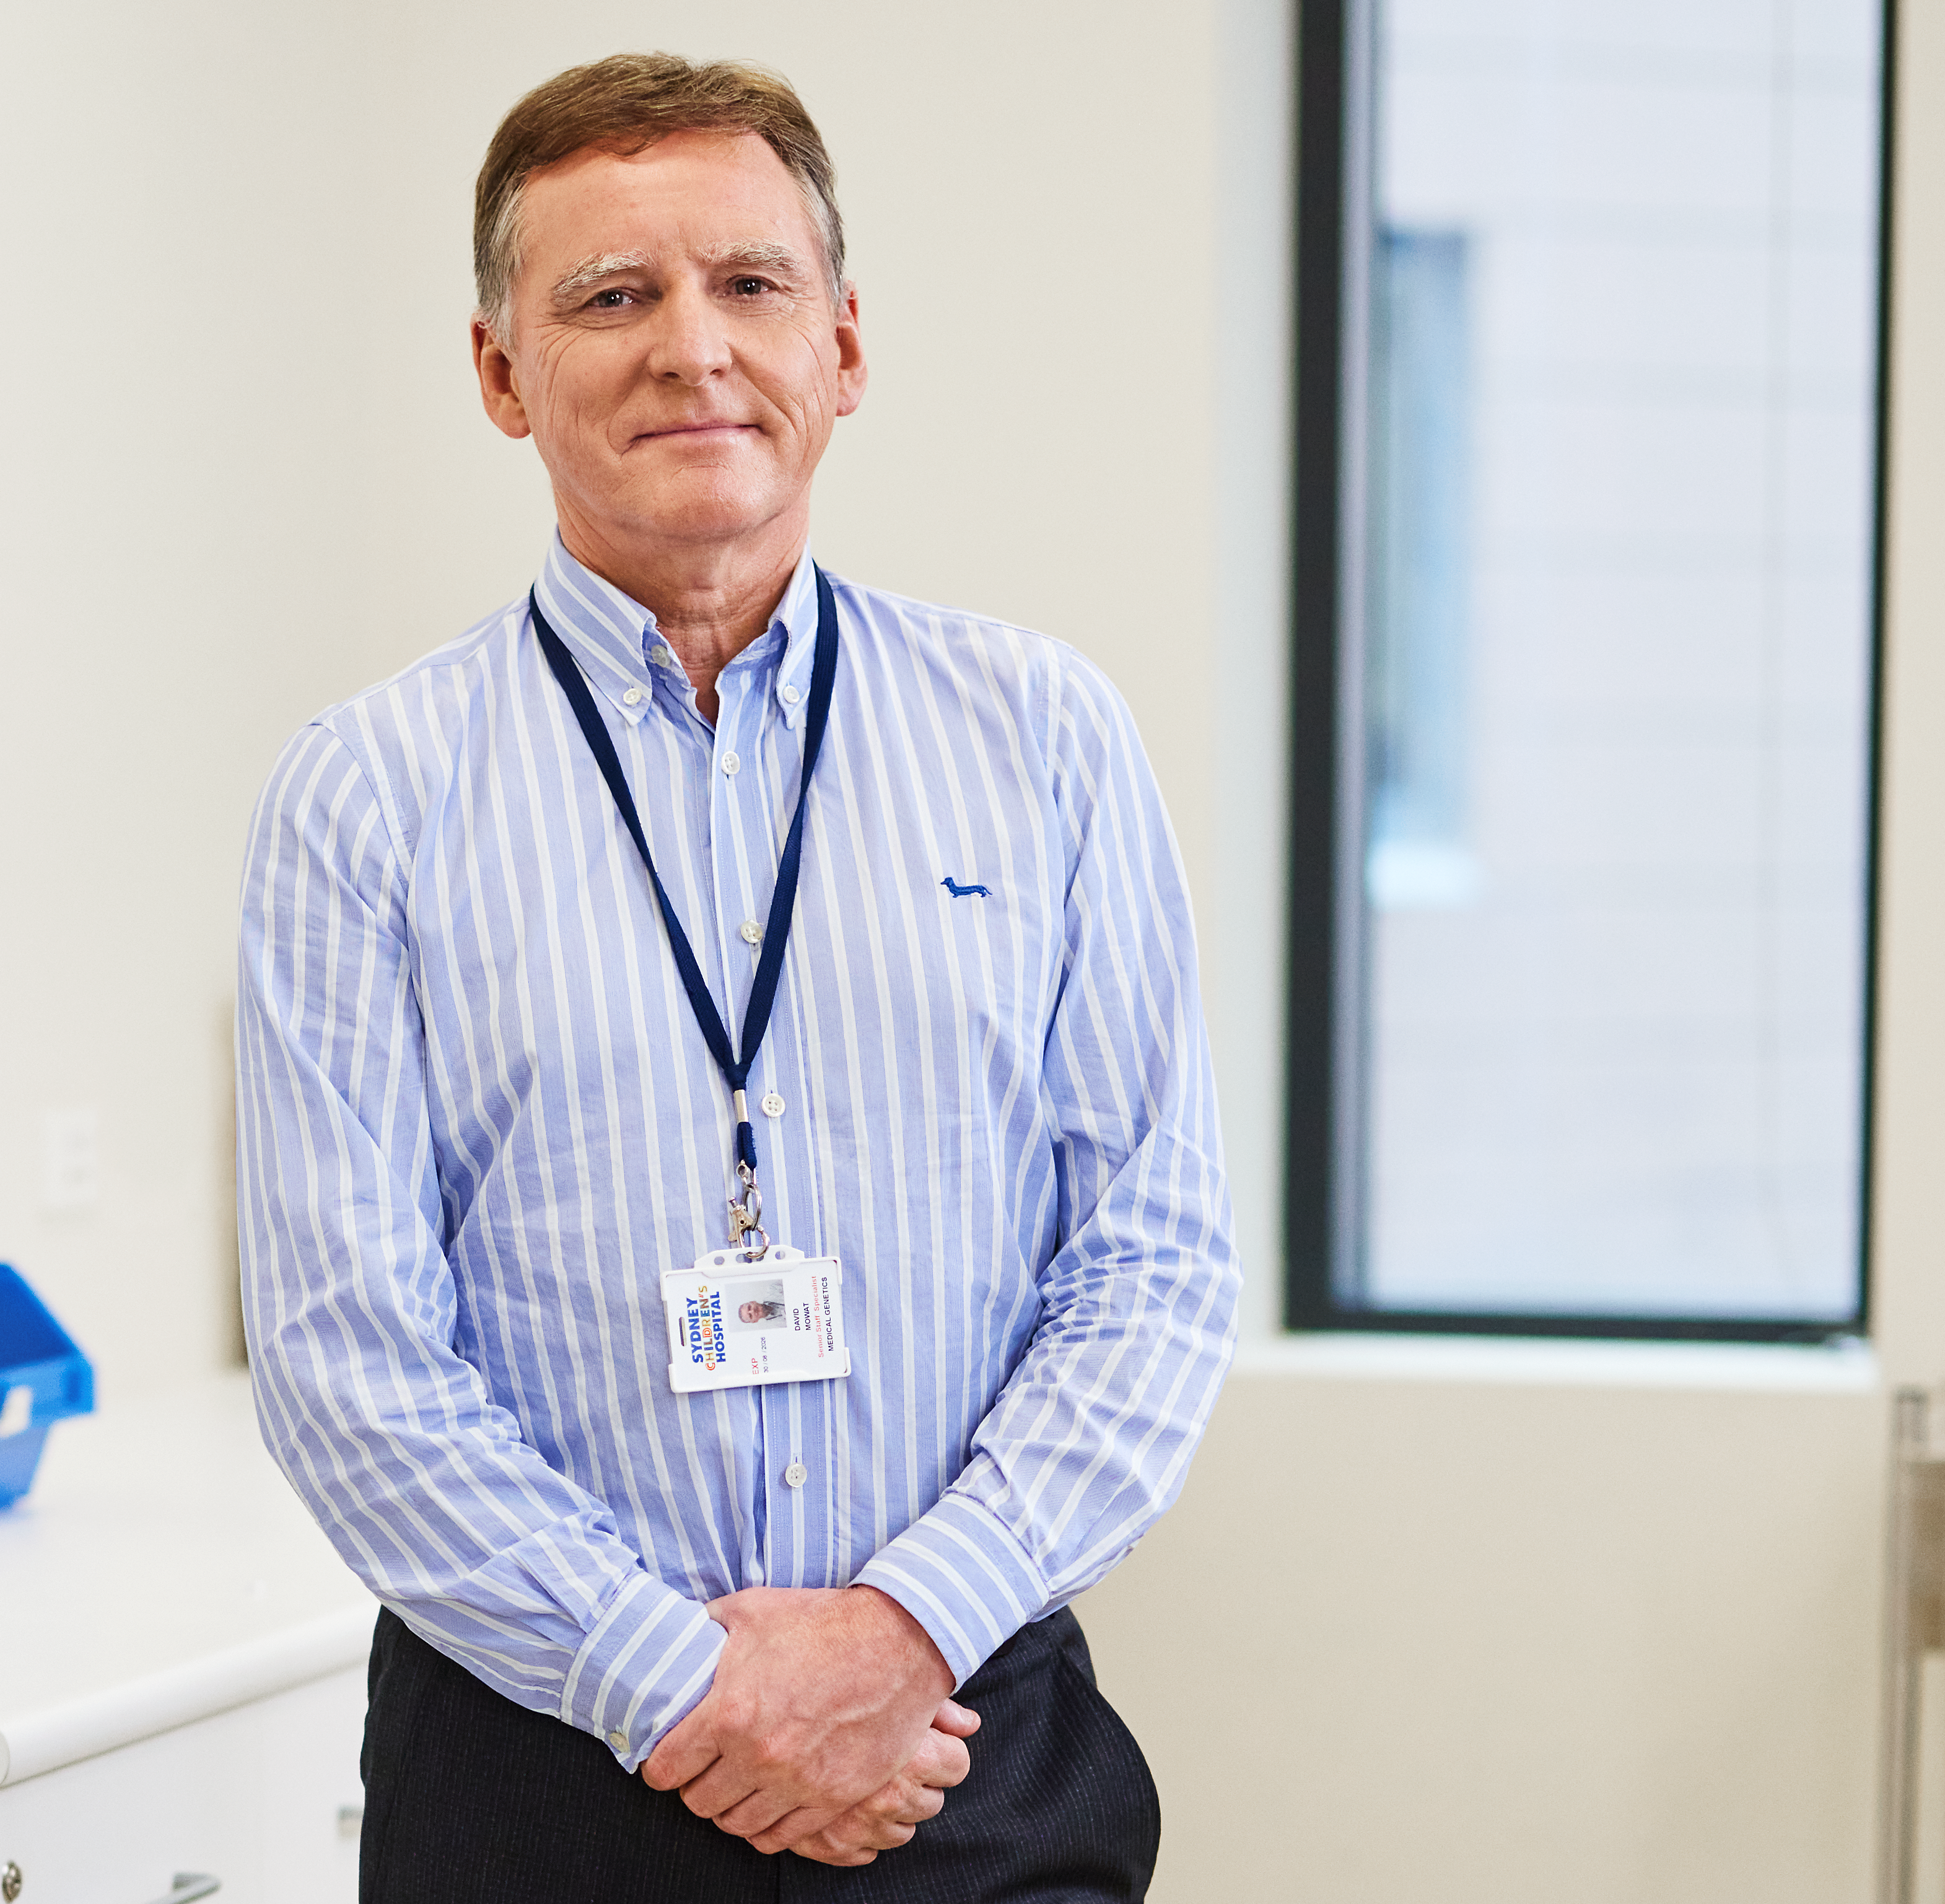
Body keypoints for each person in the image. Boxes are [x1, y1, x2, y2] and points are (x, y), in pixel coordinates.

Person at [235, 52, 1238, 1902]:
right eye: (609, 296)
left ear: (844, 349)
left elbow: (1152, 1268)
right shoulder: (366, 794)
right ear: (498, 372)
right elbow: (346, 1362)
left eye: (750, 285)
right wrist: (689, 1688)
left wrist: (896, 1637)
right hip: (538, 1770)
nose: (691, 346)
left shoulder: (1045, 737)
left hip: (964, 1747)